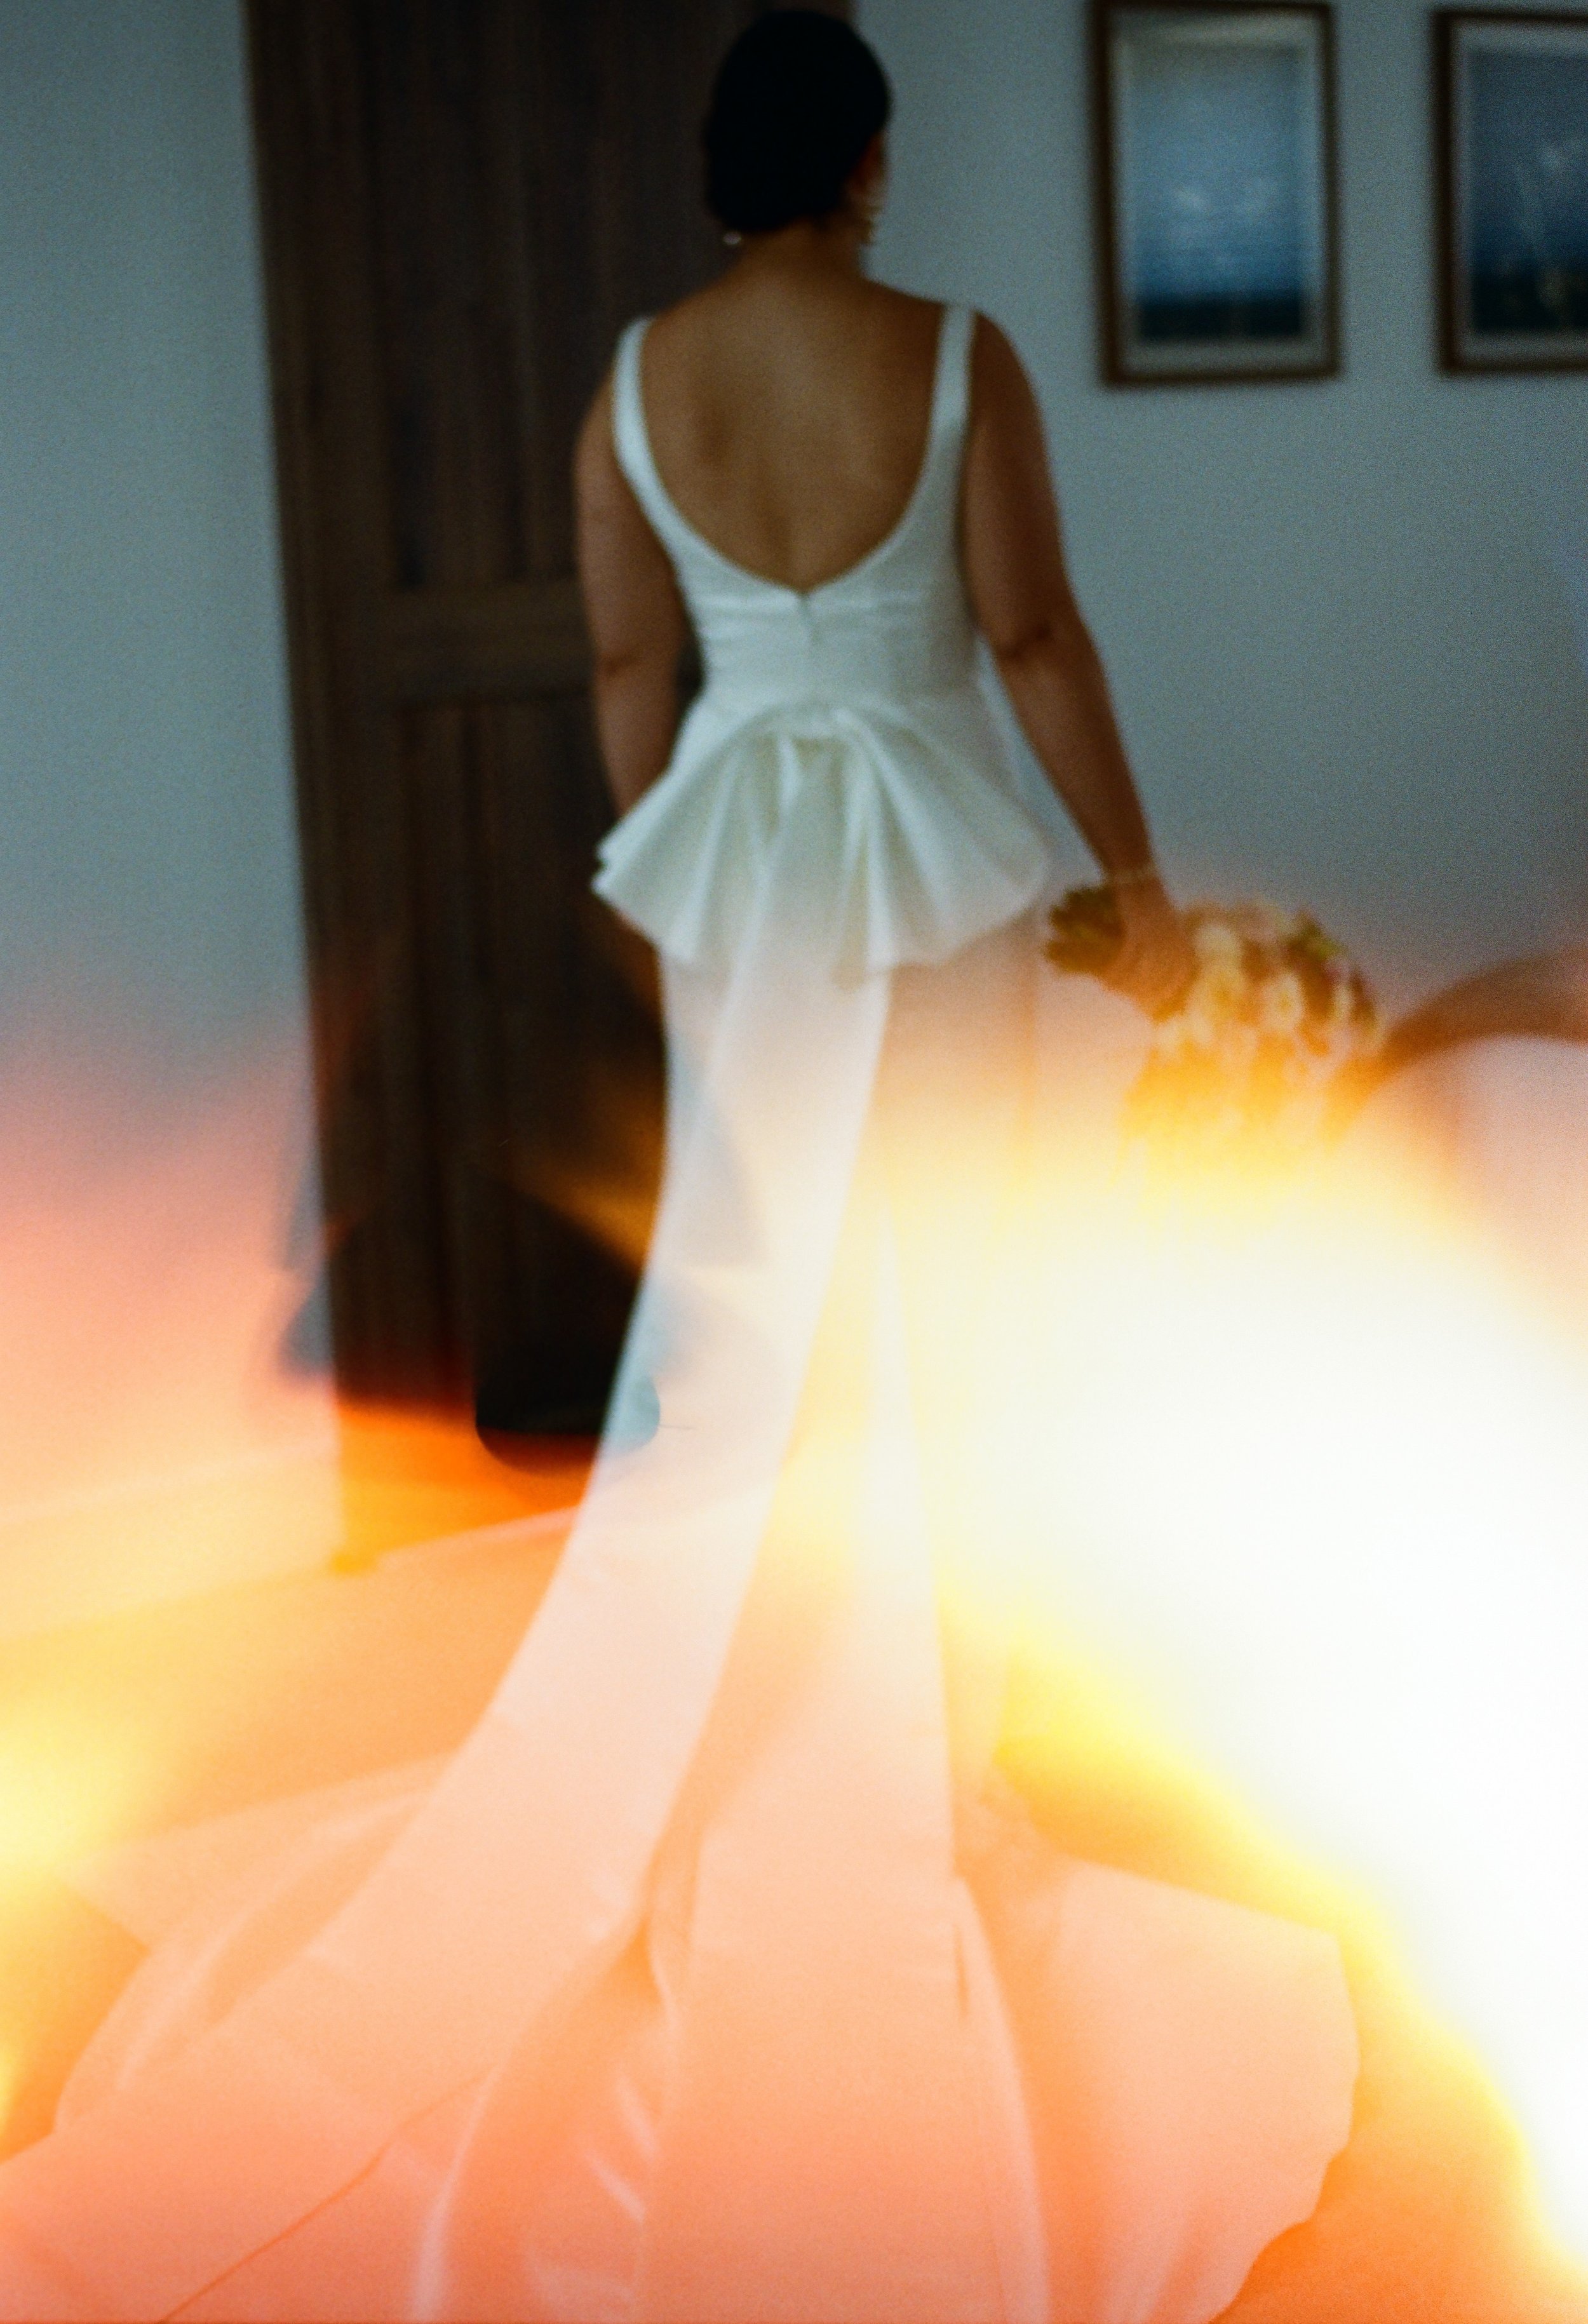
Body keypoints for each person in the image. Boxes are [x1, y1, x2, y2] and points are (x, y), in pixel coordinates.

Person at [0, 16, 1355, 2321]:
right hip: (932, 877)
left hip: (744, 881)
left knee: (747, 1320)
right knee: (944, 1298)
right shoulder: (954, 354)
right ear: (867, 164)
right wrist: (1123, 879)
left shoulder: (631, 385)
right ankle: (917, 1723)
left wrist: (681, 869)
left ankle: (743, 1703)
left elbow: (632, 674)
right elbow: (1025, 635)